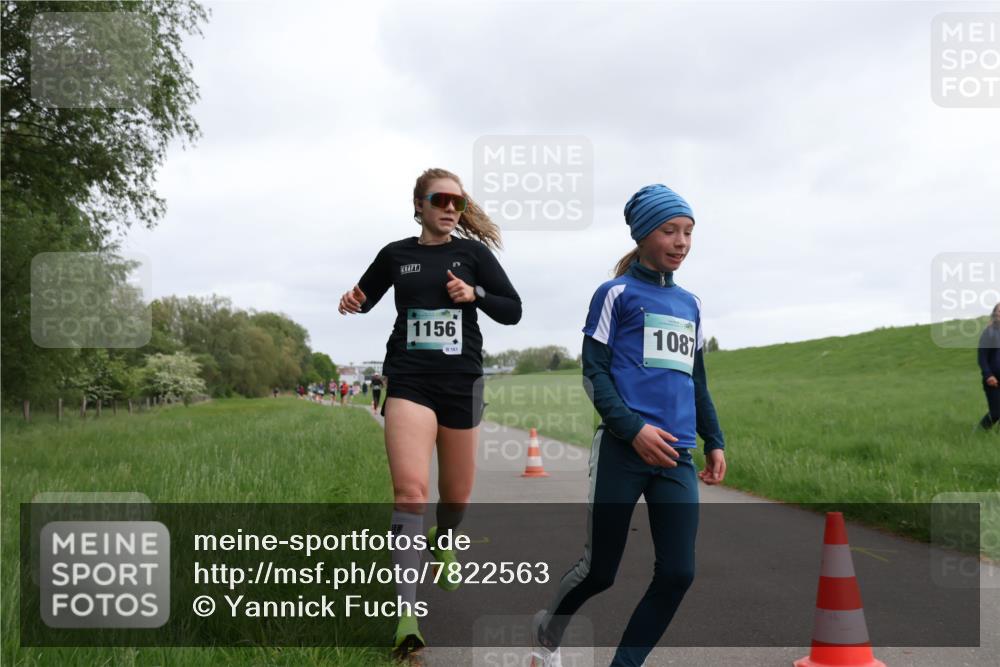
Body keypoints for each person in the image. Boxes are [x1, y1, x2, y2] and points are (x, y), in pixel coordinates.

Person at [530, 184, 727, 667]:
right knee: (600, 572)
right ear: (642, 236)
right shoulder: (615, 294)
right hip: (623, 450)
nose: (681, 242)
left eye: (688, 232)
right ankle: (546, 637)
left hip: (676, 457)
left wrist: (714, 440)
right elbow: (593, 373)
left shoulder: (692, 304)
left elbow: (696, 381)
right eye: (669, 231)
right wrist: (633, 429)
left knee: (678, 573)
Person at [338, 167, 522, 661]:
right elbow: (363, 298)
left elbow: (513, 309)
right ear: (418, 204)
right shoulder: (396, 255)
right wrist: (350, 300)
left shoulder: (473, 255)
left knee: (455, 497)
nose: (449, 208)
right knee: (410, 491)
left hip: (460, 385)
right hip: (409, 382)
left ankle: (445, 538)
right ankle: (407, 618)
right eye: (439, 200)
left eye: (457, 203)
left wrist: (475, 295)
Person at [977, 302, 1000, 431]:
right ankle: (978, 434)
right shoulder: (989, 332)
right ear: (995, 313)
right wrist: (988, 374)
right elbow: (982, 357)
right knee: (996, 413)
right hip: (993, 380)